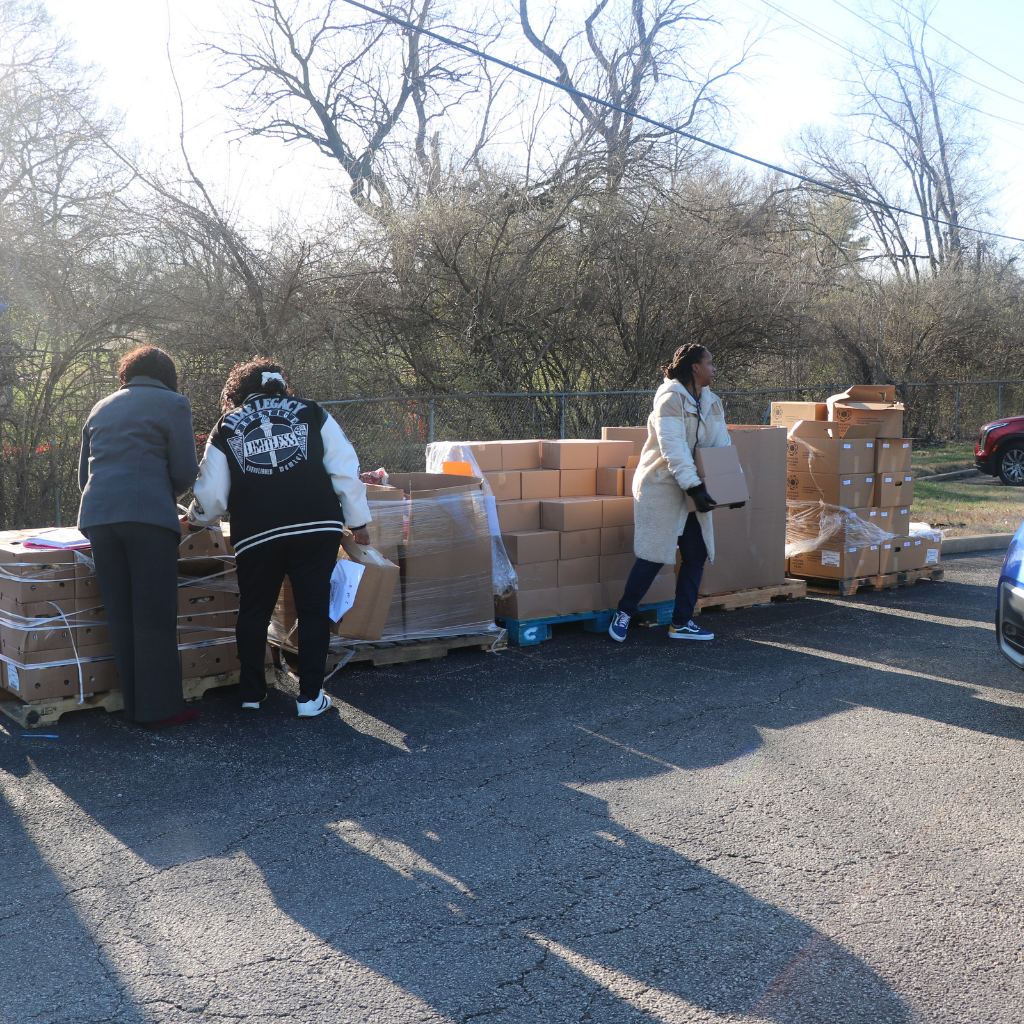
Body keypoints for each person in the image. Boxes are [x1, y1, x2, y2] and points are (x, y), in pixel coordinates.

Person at [187, 359, 371, 718]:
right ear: (281, 386)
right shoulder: (312, 412)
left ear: (239, 391)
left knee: (254, 610)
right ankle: (310, 697)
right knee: (313, 609)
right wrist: (358, 520)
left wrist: (196, 520)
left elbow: (212, 494)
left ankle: (252, 692)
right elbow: (344, 468)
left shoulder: (226, 425)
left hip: (257, 533)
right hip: (316, 526)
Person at [78, 346, 200, 727]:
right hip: (147, 517)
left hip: (99, 517)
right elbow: (185, 470)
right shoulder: (173, 403)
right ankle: (160, 711)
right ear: (167, 375)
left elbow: (83, 476)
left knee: (120, 614)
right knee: (154, 614)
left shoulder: (100, 407)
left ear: (127, 374)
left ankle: (133, 708)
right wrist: (166, 495)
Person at [608, 344, 735, 643]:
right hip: (662, 485)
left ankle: (681, 623)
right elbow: (673, 449)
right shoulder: (669, 399)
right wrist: (695, 487)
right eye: (709, 363)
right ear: (695, 367)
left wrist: (730, 484)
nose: (714, 369)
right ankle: (624, 612)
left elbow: (722, 445)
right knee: (654, 554)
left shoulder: (712, 401)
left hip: (694, 486)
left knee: (695, 553)